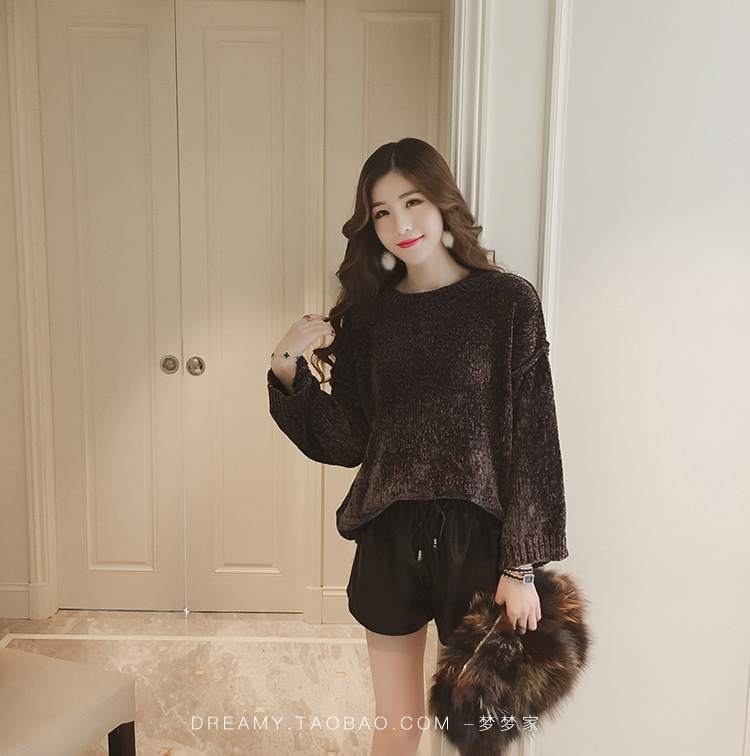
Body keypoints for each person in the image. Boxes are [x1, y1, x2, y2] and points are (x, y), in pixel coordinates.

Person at [267, 137, 568, 756]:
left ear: (442, 201)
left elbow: (535, 442)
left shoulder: (507, 303)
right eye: (382, 212)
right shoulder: (369, 319)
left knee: (481, 732)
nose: (400, 225)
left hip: (480, 541)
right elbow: (350, 438)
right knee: (397, 725)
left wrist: (521, 567)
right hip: (390, 537)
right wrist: (287, 369)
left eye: (413, 202)